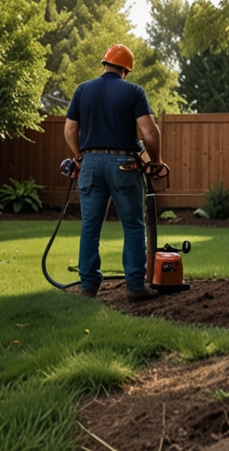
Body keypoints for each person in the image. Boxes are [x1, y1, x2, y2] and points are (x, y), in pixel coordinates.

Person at [63, 44, 168, 301]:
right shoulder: (133, 91)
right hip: (124, 164)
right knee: (132, 226)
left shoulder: (82, 90)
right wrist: (157, 160)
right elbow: (150, 132)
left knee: (90, 227)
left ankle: (88, 287)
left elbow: (69, 131)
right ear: (126, 70)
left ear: (105, 64)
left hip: (90, 164)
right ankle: (134, 287)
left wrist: (81, 156)